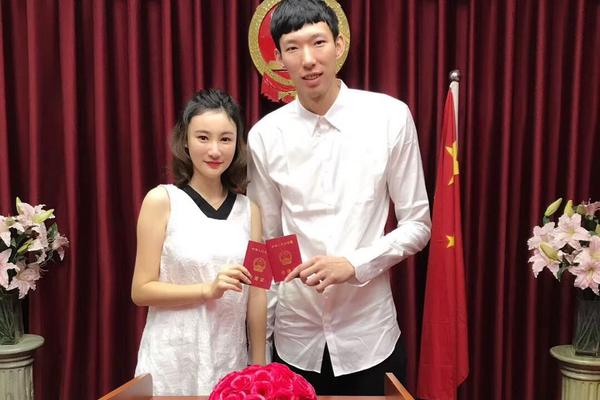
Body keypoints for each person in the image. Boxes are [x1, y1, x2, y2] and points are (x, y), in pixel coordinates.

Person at [246, 0, 431, 395]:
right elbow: (267, 241)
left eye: (318, 42)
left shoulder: (389, 117)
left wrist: (354, 264)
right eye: (293, 48)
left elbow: (418, 225)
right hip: (295, 339)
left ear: (339, 44)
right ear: (278, 58)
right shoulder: (265, 135)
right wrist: (259, 352)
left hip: (370, 336)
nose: (308, 59)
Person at [131, 89, 267, 395]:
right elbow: (141, 290)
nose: (215, 150)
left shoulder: (251, 211)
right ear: (185, 141)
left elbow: (258, 294)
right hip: (172, 360)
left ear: (237, 144)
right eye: (203, 137)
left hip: (229, 359)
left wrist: (259, 368)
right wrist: (207, 290)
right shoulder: (162, 200)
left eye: (225, 139)